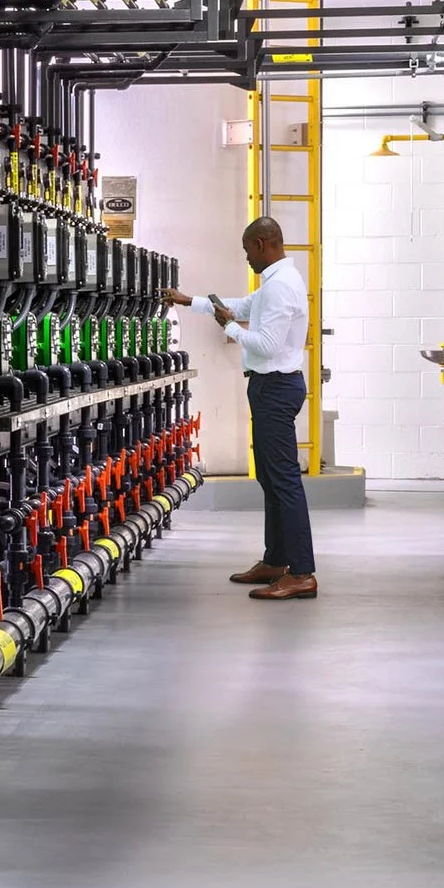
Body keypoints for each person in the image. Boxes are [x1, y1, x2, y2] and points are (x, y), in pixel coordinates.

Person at [163, 216, 316, 600]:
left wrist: (228, 327)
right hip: (269, 387)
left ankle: (302, 572)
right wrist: (189, 301)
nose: (246, 256)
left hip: (277, 388)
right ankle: (276, 560)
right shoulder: (274, 284)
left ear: (263, 243)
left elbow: (264, 343)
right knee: (270, 478)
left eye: (248, 249)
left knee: (284, 482)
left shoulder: (281, 287)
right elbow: (242, 304)